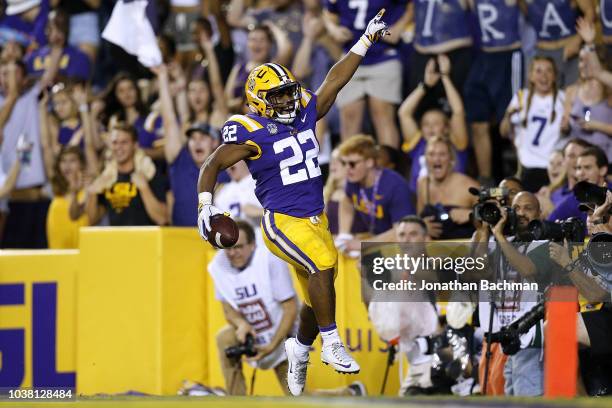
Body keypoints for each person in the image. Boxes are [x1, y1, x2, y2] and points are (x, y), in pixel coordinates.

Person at [196, 10, 391, 396]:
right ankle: (331, 344)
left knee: (318, 291)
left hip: (315, 219)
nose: (287, 99)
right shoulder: (249, 130)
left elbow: (336, 78)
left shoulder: (303, 116)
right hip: (282, 221)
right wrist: (205, 205)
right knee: (322, 265)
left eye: (288, 91)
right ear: (259, 100)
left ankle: (299, 349)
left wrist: (365, 40)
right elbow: (214, 160)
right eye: (278, 95)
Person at [472, 192, 560, 396]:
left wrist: (500, 236)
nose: (521, 213)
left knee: (528, 398)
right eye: (517, 208)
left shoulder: (546, 244)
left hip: (531, 339)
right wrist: (486, 232)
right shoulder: (501, 242)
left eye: (528, 208)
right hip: (506, 340)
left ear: (540, 213)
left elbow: (528, 269)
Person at [208, 220, 298, 395]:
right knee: (224, 338)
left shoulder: (270, 259)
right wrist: (241, 324)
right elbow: (228, 309)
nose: (233, 253)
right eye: (229, 248)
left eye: (239, 247)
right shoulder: (219, 266)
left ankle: (348, 393)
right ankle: (238, 401)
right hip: (253, 330)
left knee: (300, 400)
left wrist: (272, 344)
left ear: (253, 245)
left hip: (283, 332)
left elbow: (290, 308)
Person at [323, 0, 410, 148]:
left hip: (383, 55)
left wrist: (399, 27)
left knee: (382, 115)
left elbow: (411, 5)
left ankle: (388, 167)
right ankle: (350, 167)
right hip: (350, 56)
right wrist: (333, 29)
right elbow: (328, 10)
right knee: (349, 117)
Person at [154, 64, 223, 226]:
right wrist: (162, 78)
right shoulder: (180, 161)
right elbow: (169, 120)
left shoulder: (226, 166)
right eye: (193, 138)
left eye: (203, 137)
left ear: (215, 142)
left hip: (216, 244)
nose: (197, 141)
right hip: (182, 241)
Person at [464, 0, 523, 182]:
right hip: (484, 55)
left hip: (509, 55)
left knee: (514, 120)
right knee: (477, 122)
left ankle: (523, 174)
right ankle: (486, 181)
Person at [399, 55, 469, 195]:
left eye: (436, 123)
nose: (430, 127)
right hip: (419, 201)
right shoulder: (418, 143)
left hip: (451, 199)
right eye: (426, 124)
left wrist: (445, 77)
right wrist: (425, 85)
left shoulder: (456, 144)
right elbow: (404, 113)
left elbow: (458, 111)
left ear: (447, 127)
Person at [336, 134, 414, 254]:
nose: (347, 169)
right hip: (377, 238)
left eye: (352, 164)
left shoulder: (395, 186)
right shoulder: (353, 180)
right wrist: (344, 233)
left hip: (403, 247)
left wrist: (363, 245)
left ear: (369, 162)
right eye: (343, 163)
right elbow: (347, 201)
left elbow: (402, 231)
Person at [500, 56, 564, 193]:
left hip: (553, 167)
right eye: (538, 71)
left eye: (548, 71)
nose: (544, 76)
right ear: (531, 76)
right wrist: (508, 116)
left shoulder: (563, 99)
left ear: (554, 76)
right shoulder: (521, 97)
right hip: (526, 166)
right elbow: (504, 132)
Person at [85, 125, 168, 227]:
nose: (118, 147)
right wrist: (92, 194)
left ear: (135, 145)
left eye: (124, 142)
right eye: (115, 143)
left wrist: (144, 188)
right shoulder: (107, 179)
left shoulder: (150, 174)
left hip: (145, 242)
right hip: (117, 242)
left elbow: (162, 219)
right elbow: (92, 221)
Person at [561, 19, 612, 162]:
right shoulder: (572, 90)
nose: (584, 65)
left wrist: (596, 125)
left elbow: (598, 72)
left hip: (604, 159)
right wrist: (564, 125)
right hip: (577, 162)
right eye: (581, 60)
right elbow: (597, 72)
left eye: (588, 60)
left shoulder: (609, 90)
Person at [417, 136, 479, 240]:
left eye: (442, 154)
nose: (436, 159)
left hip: (465, 251)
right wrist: (422, 227)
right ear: (425, 159)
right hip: (434, 251)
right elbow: (419, 218)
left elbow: (491, 219)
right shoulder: (423, 183)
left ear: (451, 159)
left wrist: (471, 215)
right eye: (431, 154)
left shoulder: (469, 186)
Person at [525, 0, 594, 88]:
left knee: (573, 92)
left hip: (570, 50)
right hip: (541, 52)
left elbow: (590, 11)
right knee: (542, 96)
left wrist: (578, 40)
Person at [25, 9, 91, 82]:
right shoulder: (32, 57)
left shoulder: (79, 57)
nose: (56, 33)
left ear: (68, 29)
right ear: (45, 30)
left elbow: (77, 84)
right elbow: (26, 83)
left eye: (60, 27)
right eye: (51, 28)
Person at [549, 145, 610, 223]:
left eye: (587, 167)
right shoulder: (575, 198)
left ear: (602, 170)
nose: (581, 173)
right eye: (578, 168)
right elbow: (550, 222)